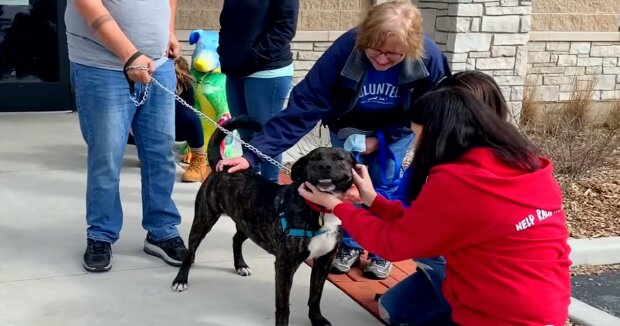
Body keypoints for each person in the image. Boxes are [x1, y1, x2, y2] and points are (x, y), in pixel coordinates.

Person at [297, 87, 572, 325]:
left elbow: (392, 245)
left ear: (440, 133)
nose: (417, 145)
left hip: (497, 315)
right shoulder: (526, 166)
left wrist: (335, 206)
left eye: (418, 136)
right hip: (547, 307)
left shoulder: (459, 182)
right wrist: (372, 200)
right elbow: (429, 223)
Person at [216, 1, 450, 279]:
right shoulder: (346, 48)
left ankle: (382, 250)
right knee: (344, 185)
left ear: (410, 48)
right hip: (348, 125)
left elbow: (432, 109)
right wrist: (252, 155)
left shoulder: (429, 57)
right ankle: (349, 244)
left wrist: (383, 138)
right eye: (375, 50)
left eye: (393, 55)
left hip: (395, 128)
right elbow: (304, 107)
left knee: (384, 183)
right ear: (364, 38)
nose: (383, 60)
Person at [66, 0, 187, 272]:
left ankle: (162, 229)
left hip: (159, 64)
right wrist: (129, 54)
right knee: (107, 155)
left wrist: (168, 31)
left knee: (160, 154)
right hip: (101, 66)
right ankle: (101, 234)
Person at [216, 0, 299, 182]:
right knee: (246, 134)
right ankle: (252, 189)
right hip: (235, 71)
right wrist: (225, 53)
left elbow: (285, 28)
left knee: (267, 137)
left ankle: (269, 197)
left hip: (267, 70)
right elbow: (226, 23)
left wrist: (253, 56)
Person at [173, 56, 210, 183]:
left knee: (188, 115)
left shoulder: (185, 85)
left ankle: (198, 159)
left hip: (177, 128)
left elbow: (188, 114)